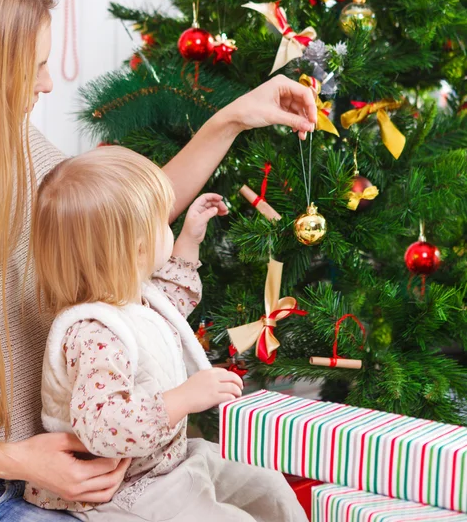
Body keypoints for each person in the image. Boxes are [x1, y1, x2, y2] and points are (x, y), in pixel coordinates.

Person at [0, 0, 316, 520]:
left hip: (69, 469)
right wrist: (18, 462)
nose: (48, 84)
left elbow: (120, 222)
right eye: (34, 67)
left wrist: (232, 119)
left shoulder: (14, 141)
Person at [24, 146, 308, 522]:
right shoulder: (94, 333)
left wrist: (189, 239)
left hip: (171, 459)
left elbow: (171, 306)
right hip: (130, 489)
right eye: (163, 222)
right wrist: (183, 398)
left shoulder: (133, 295)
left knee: (268, 486)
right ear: (138, 249)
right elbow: (103, 427)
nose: (168, 227)